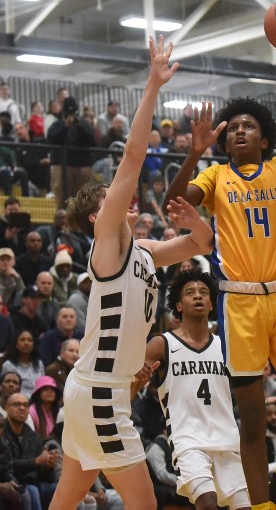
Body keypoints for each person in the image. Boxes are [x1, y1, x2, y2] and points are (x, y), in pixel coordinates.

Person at [49, 36, 215, 510]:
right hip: (101, 393)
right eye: (109, 198)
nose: (119, 198)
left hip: (100, 390)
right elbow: (133, 160)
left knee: (67, 498)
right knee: (146, 505)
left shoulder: (141, 250)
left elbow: (201, 244)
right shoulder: (107, 244)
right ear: (95, 219)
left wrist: (195, 163)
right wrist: (151, 86)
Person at [163, 37, 276, 510]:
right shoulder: (216, 178)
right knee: (252, 421)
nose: (238, 131)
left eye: (248, 125)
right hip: (239, 302)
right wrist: (195, 153)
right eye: (232, 126)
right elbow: (171, 205)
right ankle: (261, 506)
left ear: (264, 137)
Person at [140, 269, 250, 510]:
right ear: (178, 305)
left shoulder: (227, 344)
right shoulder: (162, 344)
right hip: (188, 440)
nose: (198, 296)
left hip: (227, 438)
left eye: (203, 293)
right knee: (207, 503)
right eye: (190, 293)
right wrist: (138, 377)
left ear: (212, 304)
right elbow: (132, 387)